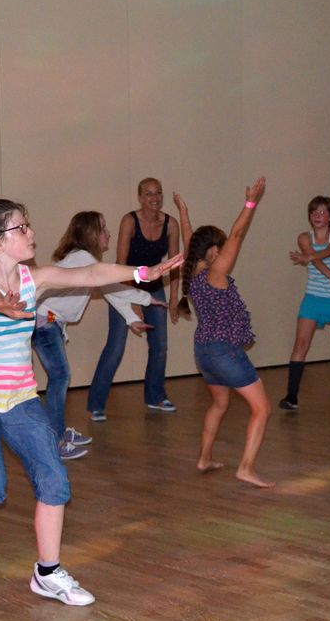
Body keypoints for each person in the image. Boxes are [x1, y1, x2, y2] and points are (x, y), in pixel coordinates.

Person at [0, 199, 181, 620]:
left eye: (28, 225)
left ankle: (47, 573)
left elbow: (90, 274)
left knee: (54, 479)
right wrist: (1, 304)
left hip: (20, 396)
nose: (31, 233)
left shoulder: (35, 279)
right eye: (21, 228)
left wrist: (142, 273)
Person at [33, 211, 165, 460]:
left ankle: (58, 431)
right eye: (103, 228)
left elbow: (111, 289)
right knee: (60, 377)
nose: (108, 233)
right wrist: (145, 300)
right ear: (90, 234)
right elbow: (112, 286)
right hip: (44, 323)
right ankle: (55, 439)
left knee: (59, 377)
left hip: (48, 322)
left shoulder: (82, 258)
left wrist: (135, 315)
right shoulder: (82, 258)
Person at [173, 178, 274, 488]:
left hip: (203, 352)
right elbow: (238, 233)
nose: (225, 249)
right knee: (262, 408)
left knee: (219, 404)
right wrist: (250, 202)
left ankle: (204, 459)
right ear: (213, 251)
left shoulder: (192, 275)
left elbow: (189, 240)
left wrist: (183, 213)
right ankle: (246, 468)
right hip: (224, 351)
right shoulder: (215, 274)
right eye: (221, 246)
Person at [86, 178, 182, 421]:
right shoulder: (129, 221)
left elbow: (174, 264)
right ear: (140, 197)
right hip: (124, 286)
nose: (154, 198)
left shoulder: (170, 224)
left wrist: (174, 298)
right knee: (115, 347)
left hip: (155, 287)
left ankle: (155, 396)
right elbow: (121, 262)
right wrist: (134, 303)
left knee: (160, 346)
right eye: (149, 193)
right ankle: (96, 404)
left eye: (158, 193)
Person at [278, 195, 330, 411]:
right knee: (300, 345)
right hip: (313, 299)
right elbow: (316, 260)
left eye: (322, 212)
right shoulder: (304, 238)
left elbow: (329, 251)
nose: (317, 215)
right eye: (314, 212)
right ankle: (291, 396)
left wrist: (310, 258)